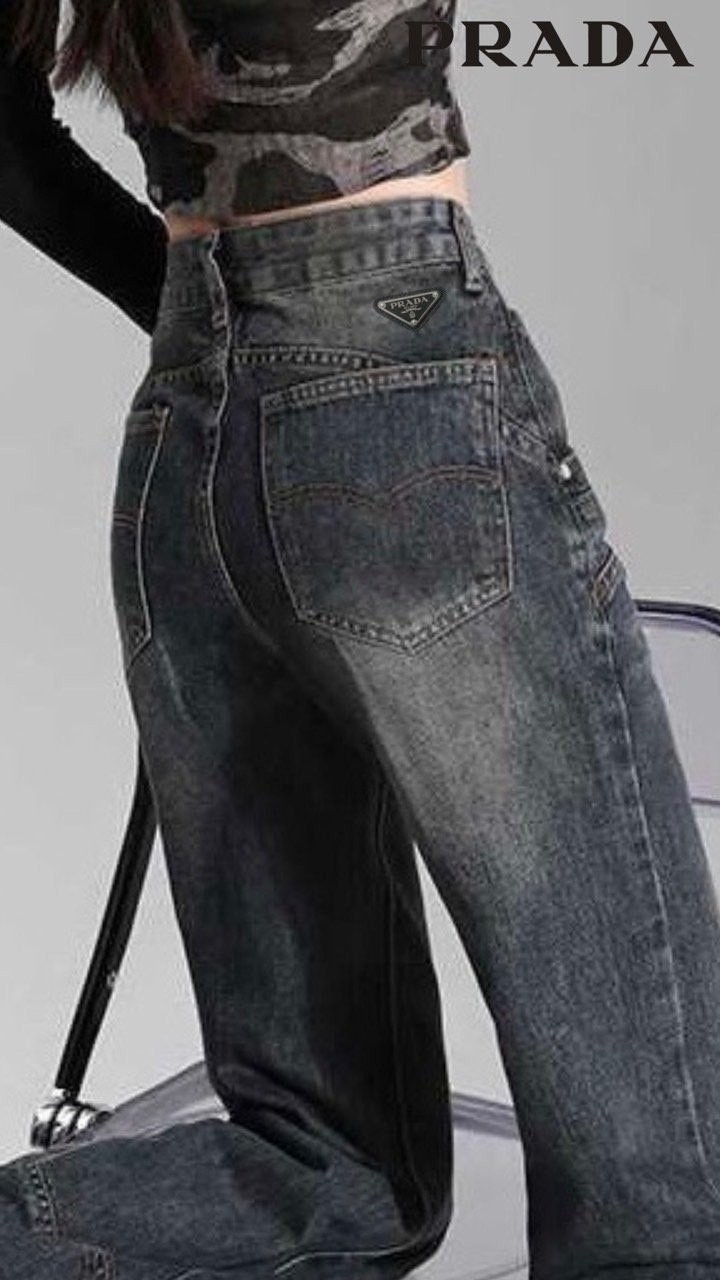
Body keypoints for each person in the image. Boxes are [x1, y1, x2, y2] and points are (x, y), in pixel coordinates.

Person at [2, 4, 720, 1280]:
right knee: (668, 1194)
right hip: (399, 385)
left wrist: (217, 336)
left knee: (324, 1167)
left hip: (188, 433)